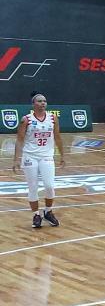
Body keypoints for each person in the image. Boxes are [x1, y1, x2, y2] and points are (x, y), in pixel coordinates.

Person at [13, 93, 65, 228]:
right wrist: (16, 159)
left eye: (45, 101)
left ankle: (48, 211)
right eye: (40, 101)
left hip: (47, 156)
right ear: (33, 104)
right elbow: (19, 140)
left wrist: (62, 155)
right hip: (30, 156)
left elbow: (58, 137)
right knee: (33, 187)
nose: (43, 103)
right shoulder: (26, 120)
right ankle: (36, 215)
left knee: (49, 186)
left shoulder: (53, 118)